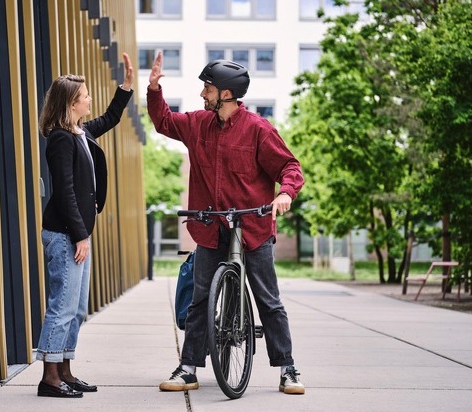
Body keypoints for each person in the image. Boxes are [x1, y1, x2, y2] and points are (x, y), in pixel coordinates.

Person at [147, 53, 306, 395]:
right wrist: (155, 89)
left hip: (254, 228)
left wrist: (285, 194)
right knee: (201, 300)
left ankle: (287, 368)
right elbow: (163, 122)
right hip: (211, 226)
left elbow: (289, 168)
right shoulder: (197, 124)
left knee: (269, 300)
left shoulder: (259, 130)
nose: (203, 94)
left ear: (227, 94)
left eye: (208, 88)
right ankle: (188, 367)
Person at [35, 53, 134, 398]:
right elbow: (63, 192)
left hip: (77, 234)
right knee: (62, 306)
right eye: (86, 95)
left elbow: (109, 118)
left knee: (76, 309)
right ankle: (49, 377)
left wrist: (126, 88)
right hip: (65, 234)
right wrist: (80, 235)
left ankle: (65, 370)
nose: (90, 99)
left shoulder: (79, 132)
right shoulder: (60, 139)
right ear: (72, 103)